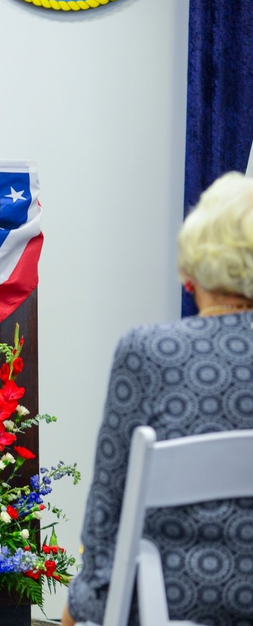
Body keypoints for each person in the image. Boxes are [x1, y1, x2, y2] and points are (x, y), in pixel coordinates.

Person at [62, 171, 253, 626]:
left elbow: (107, 509)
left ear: (190, 271)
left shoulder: (148, 352)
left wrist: (80, 605)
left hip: (165, 599)